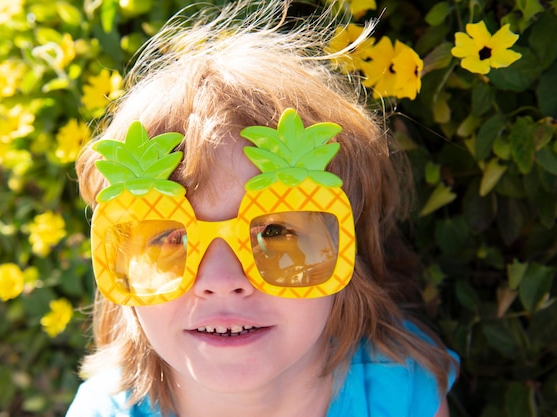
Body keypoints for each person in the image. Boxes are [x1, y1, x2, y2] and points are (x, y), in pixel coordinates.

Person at [67, 0, 459, 416]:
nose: (220, 280)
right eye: (167, 237)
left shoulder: (398, 391)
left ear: (348, 248)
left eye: (277, 231)